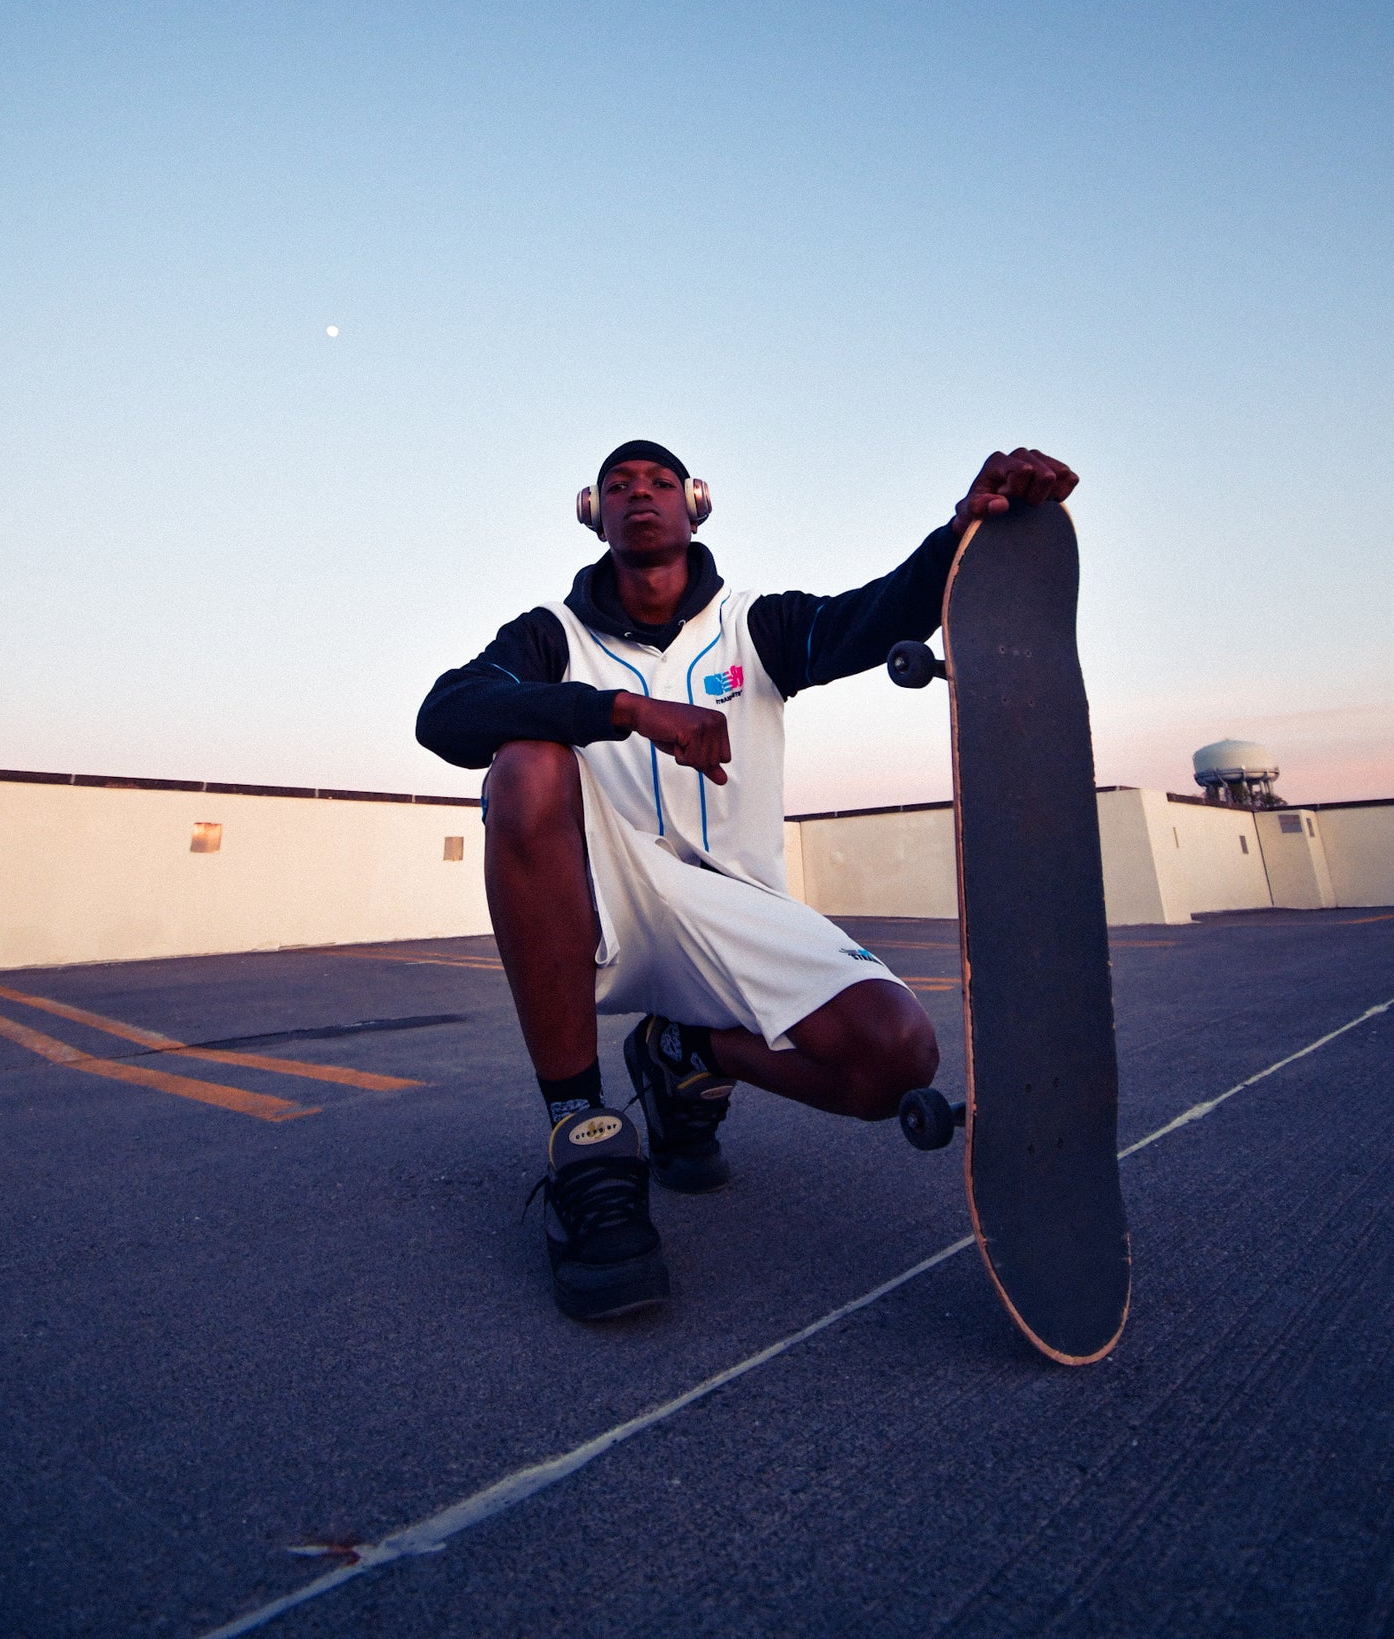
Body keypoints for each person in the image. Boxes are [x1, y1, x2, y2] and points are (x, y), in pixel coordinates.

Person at [416, 441, 1078, 1319]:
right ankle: (584, 1135)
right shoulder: (549, 635)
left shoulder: (754, 626)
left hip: (731, 907)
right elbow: (444, 714)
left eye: (658, 483)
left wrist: (965, 529)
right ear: (591, 512)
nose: (639, 496)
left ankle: (685, 1054)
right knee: (525, 762)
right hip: (601, 902)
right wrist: (621, 710)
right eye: (618, 486)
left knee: (894, 1058)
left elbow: (880, 610)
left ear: (697, 504)